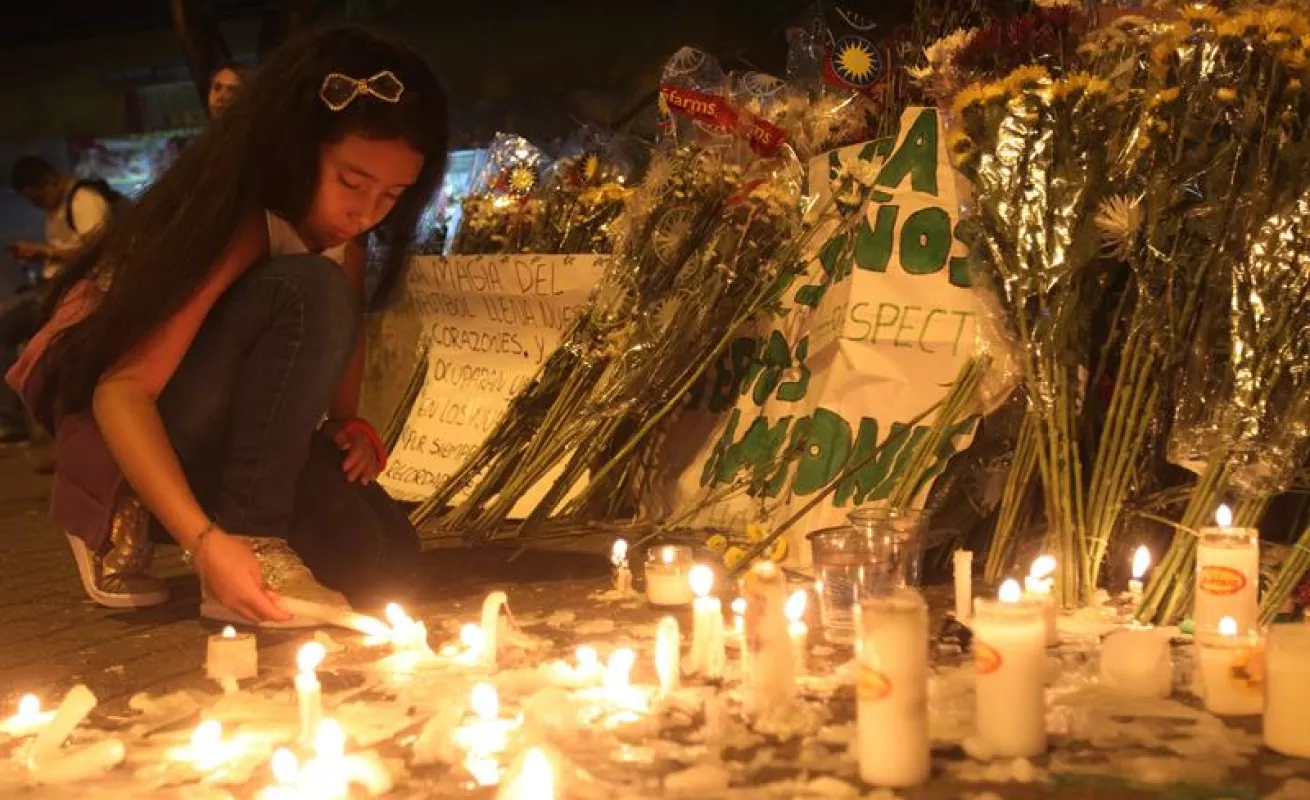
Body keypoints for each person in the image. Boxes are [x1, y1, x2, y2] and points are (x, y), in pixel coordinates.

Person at [6, 25, 449, 627]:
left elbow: (346, 342)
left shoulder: (347, 235)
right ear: (299, 147)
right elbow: (123, 390)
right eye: (351, 181)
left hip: (240, 449)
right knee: (306, 290)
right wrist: (208, 543)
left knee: (383, 560)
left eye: (393, 194)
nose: (366, 212)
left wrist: (350, 426)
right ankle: (189, 524)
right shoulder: (238, 221)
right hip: (147, 430)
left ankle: (251, 528)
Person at [1, 158, 118, 444]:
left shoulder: (83, 201)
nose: (38, 204)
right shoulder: (57, 209)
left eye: (38, 196)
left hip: (81, 291)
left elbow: (100, 249)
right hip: (57, 288)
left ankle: (13, 418)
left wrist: (44, 253)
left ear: (51, 181)